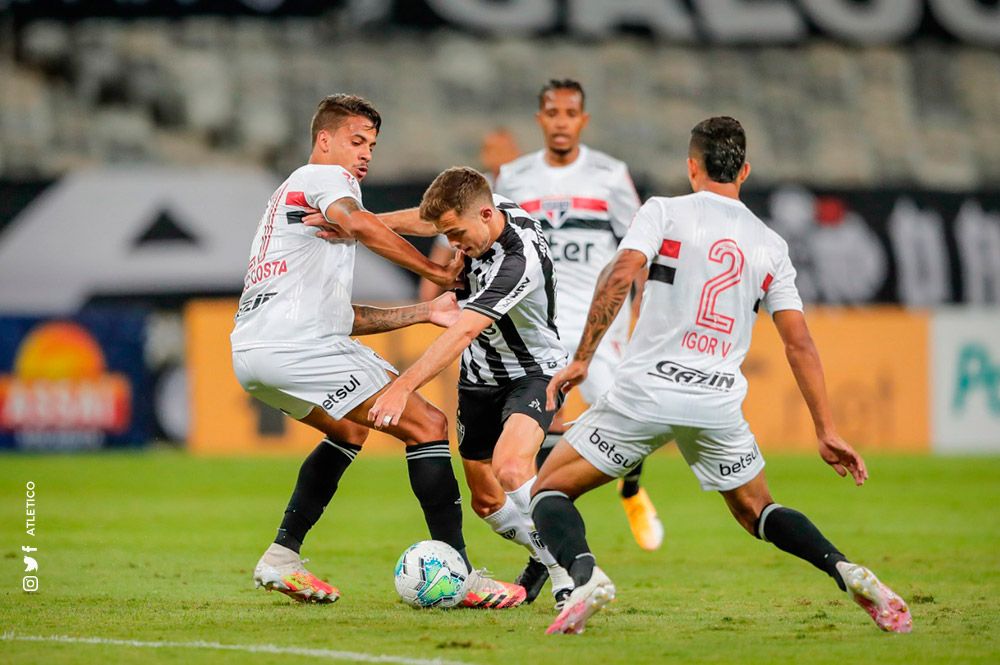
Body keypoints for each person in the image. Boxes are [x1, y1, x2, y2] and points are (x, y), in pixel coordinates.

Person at [530, 117, 913, 635]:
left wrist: (582, 358)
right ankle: (845, 569)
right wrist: (827, 429)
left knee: (548, 489)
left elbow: (621, 273)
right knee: (759, 510)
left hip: (645, 393)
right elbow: (798, 341)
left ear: (692, 167)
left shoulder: (663, 211)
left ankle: (585, 575)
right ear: (745, 171)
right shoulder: (770, 243)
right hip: (716, 403)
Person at [231, 94, 524, 609]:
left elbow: (341, 318)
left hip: (254, 354)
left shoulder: (295, 203)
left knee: (347, 430)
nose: (365, 154)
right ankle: (459, 576)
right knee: (429, 425)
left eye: (371, 145)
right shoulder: (325, 180)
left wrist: (422, 312)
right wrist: (434, 273)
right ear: (324, 141)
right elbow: (364, 225)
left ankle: (282, 555)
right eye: (355, 140)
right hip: (296, 348)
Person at [368, 166, 576, 609]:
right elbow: (431, 220)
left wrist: (402, 387)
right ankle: (543, 552)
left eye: (458, 235)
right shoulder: (481, 213)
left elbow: (462, 330)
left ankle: (567, 576)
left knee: (512, 465)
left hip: (533, 373)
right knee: (485, 500)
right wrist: (364, 224)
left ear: (485, 214)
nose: (454, 246)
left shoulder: (518, 262)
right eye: (449, 236)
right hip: (479, 376)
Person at [495, 80, 663, 568]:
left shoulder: (611, 176)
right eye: (553, 112)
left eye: (571, 113)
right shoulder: (514, 176)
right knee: (538, 424)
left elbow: (641, 252)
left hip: (599, 330)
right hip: (535, 325)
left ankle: (631, 488)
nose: (561, 121)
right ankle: (548, 541)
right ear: (540, 119)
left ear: (583, 120)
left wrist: (640, 315)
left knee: (632, 416)